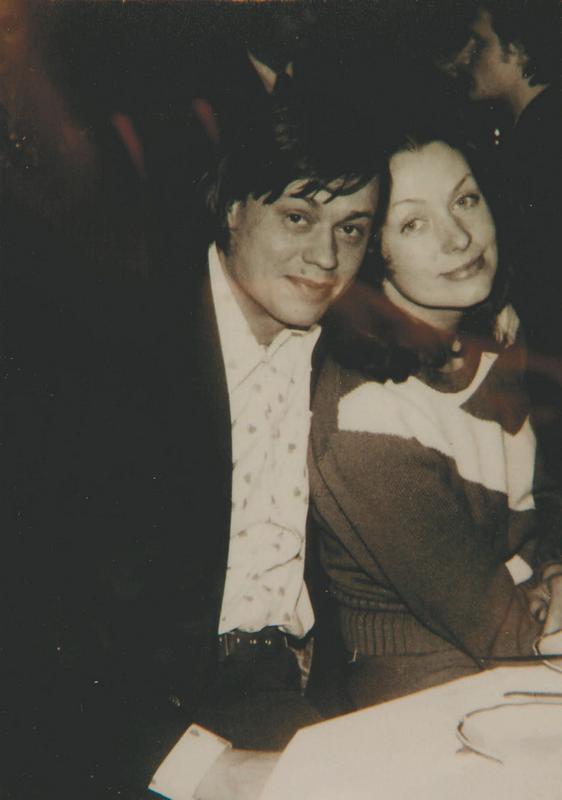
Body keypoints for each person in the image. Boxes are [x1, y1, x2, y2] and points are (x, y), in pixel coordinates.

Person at [5, 99, 382, 800]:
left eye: (351, 228)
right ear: (234, 208)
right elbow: (41, 608)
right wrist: (197, 767)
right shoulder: (111, 351)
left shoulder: (350, 354)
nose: (327, 258)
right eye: (298, 217)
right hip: (131, 719)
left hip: (297, 692)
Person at [309, 126, 562, 711]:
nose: (459, 238)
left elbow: (545, 500)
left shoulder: (489, 344)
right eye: (413, 224)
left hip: (521, 648)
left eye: (466, 199)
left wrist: (553, 568)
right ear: (372, 253)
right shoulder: (368, 415)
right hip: (428, 688)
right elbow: (497, 631)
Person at [441, 0, 562, 480]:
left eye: (480, 43)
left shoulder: (541, 139)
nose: (465, 57)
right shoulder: (528, 133)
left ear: (519, 50)